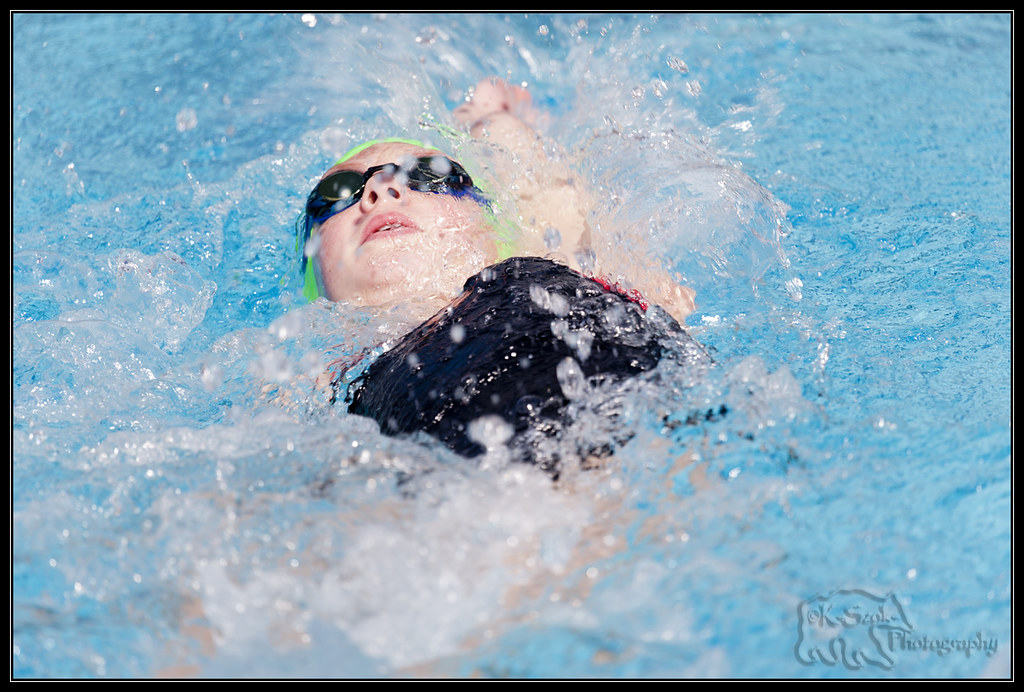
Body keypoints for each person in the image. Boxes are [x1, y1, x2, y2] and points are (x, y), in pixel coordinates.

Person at [297, 78, 710, 473]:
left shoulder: (544, 264)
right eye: (338, 192)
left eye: (428, 172)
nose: (382, 188)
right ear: (315, 275)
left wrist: (492, 118)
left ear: (488, 224)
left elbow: (544, 192)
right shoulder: (319, 375)